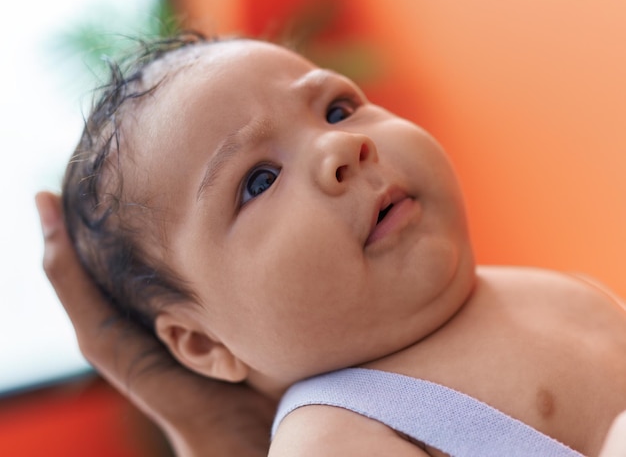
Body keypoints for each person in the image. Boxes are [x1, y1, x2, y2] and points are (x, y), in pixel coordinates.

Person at [43, 32, 626, 456]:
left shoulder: (543, 291)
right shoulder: (333, 436)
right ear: (200, 341)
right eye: (259, 181)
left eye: (338, 109)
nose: (340, 148)